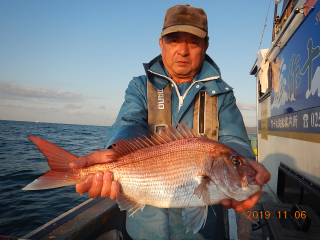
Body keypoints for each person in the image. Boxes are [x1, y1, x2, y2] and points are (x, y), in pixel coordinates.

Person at [70, 4, 270, 240]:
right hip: (145, 230)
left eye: (194, 41)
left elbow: (234, 140)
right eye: (174, 40)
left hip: (205, 233)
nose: (183, 50)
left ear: (206, 46)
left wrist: (242, 160)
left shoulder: (222, 93)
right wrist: (114, 152)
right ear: (161, 43)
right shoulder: (140, 86)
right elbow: (129, 121)